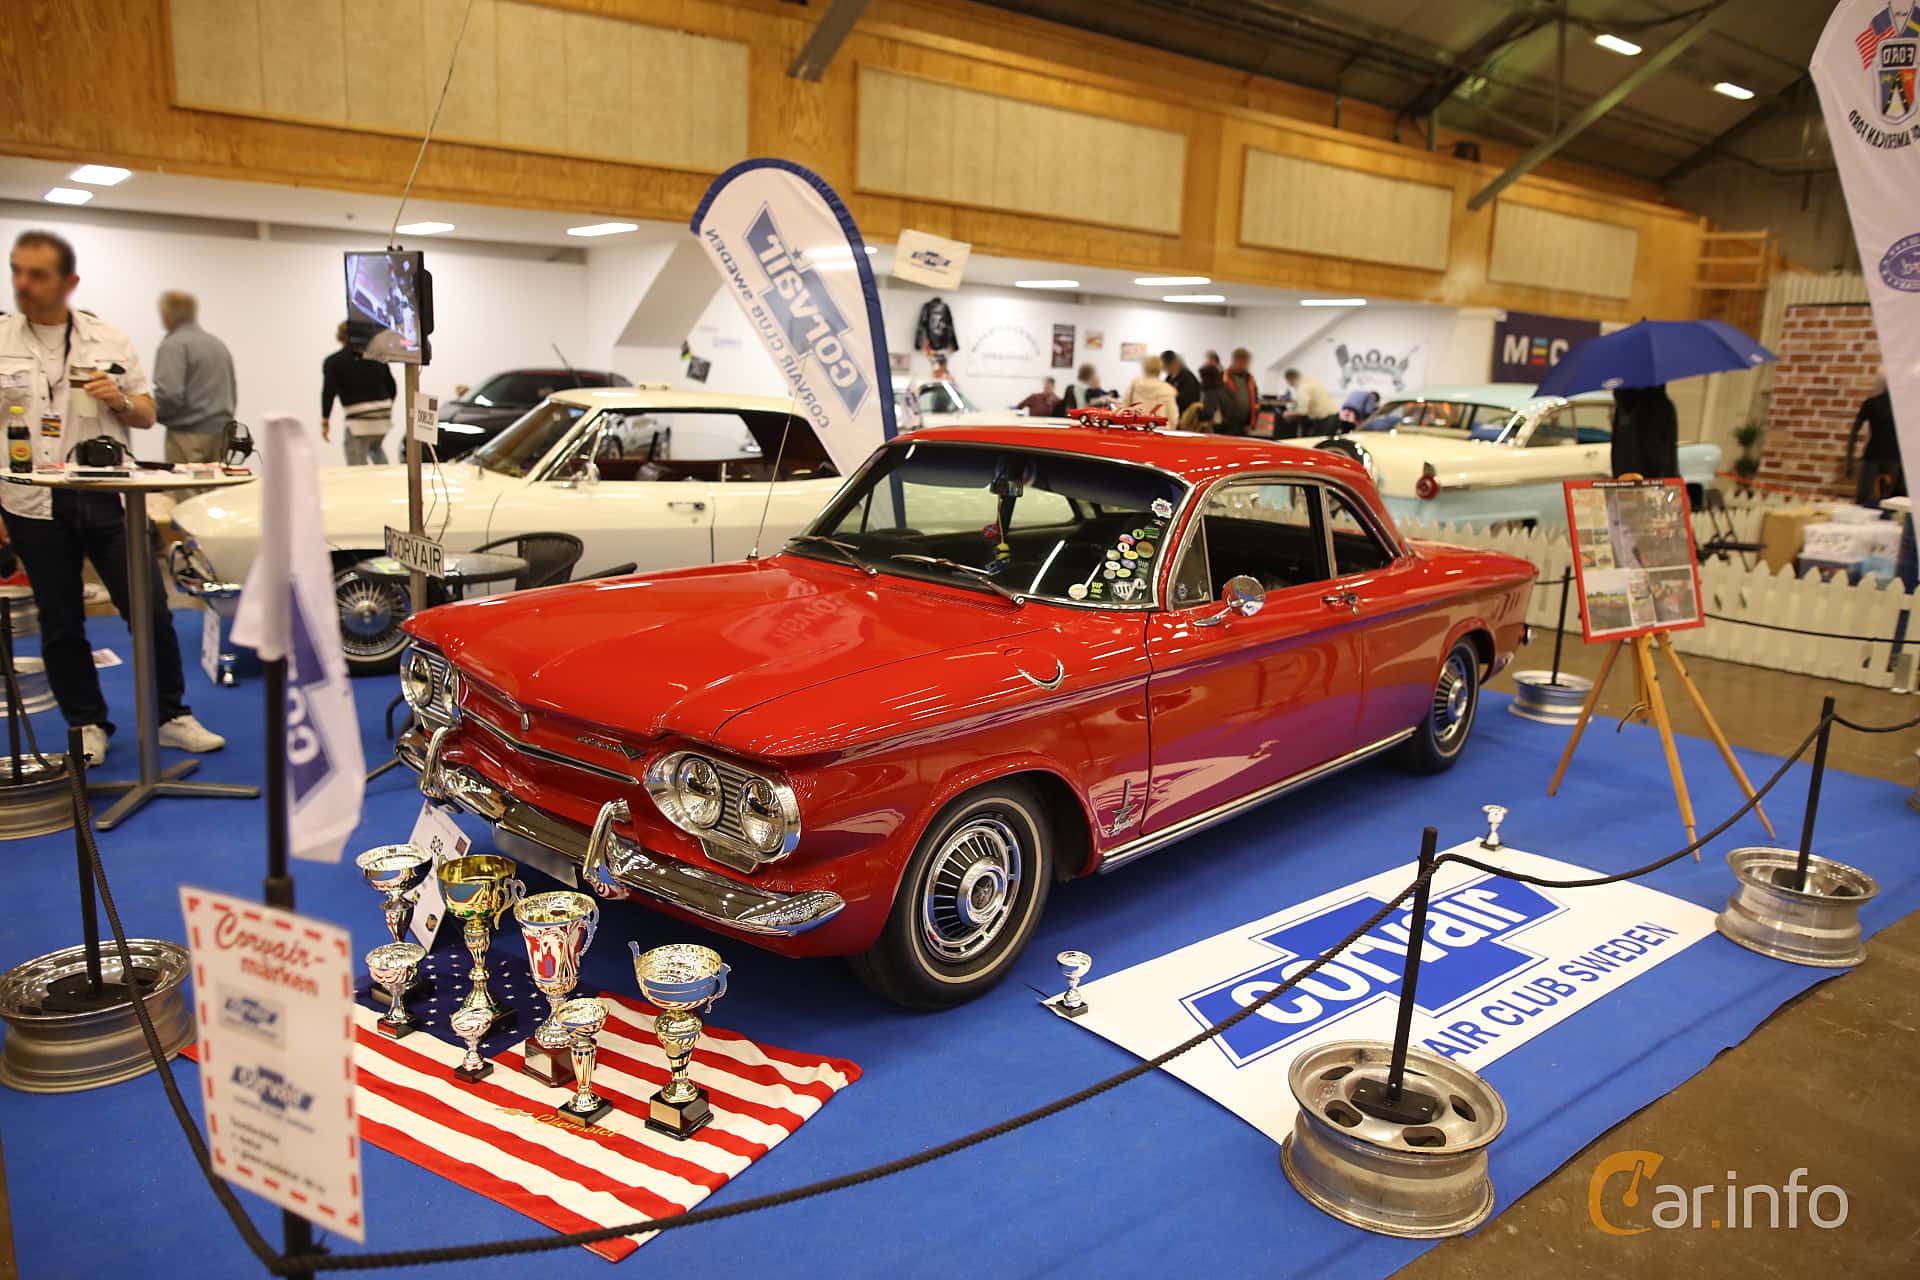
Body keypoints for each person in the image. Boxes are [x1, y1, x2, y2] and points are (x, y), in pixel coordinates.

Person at [0, 230, 225, 765]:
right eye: (17, 272)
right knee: (61, 621)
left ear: (68, 282)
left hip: (107, 497)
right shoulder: (3, 340)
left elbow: (146, 414)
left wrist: (119, 398)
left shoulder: (110, 338)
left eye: (37, 274)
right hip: (30, 500)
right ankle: (87, 723)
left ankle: (172, 715)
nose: (23, 284)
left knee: (149, 610)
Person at [152, 291, 235, 464]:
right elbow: (232, 392)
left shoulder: (173, 345)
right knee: (217, 490)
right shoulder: (217, 344)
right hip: (222, 434)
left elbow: (169, 394)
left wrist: (149, 414)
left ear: (166, 315)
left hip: (187, 436)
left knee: (186, 490)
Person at [321, 322, 396, 465]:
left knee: (356, 462)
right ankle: (385, 481)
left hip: (358, 418)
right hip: (383, 414)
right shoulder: (377, 357)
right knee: (376, 448)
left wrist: (325, 421)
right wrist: (385, 406)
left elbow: (328, 393)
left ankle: (362, 485)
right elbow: (392, 386)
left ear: (341, 337)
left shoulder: (333, 362)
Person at [1848, 376, 1905, 507]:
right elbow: (1854, 431)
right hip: (1873, 458)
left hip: (1893, 459)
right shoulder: (1872, 403)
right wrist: (1849, 462)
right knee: (1865, 500)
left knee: (1890, 503)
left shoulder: (1906, 407)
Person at [1610, 384, 1679, 479]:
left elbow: (1617, 447)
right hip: (1653, 480)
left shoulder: (1622, 409)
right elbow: (1666, 450)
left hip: (1624, 477)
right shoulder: (1662, 405)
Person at [1125, 354, 1180, 426]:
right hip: (1160, 431)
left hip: (1135, 430)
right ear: (1160, 368)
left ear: (1144, 368)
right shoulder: (1167, 389)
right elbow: (1173, 418)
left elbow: (1125, 407)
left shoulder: (1135, 384)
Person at [1282, 367, 1338, 436]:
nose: (1288, 383)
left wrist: (1287, 414)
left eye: (1287, 381)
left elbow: (1303, 411)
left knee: (1319, 443)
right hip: (1333, 415)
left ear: (1290, 378)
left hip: (1326, 419)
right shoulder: (1309, 381)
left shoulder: (1303, 387)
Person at [1217, 348, 1257, 436]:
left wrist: (1251, 423)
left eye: (1246, 362)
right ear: (1234, 360)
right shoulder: (1222, 378)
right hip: (1225, 428)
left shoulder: (1250, 379)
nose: (1243, 365)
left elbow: (1255, 402)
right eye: (1241, 361)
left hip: (1244, 428)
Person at [1180, 363, 1226, 432]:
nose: (1200, 380)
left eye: (1201, 377)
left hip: (1214, 429)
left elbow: (1208, 413)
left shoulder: (1211, 392)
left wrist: (1196, 410)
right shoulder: (1222, 390)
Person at [1160, 350, 1201, 416]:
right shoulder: (1169, 378)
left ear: (1174, 363)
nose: (1164, 369)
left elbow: (1189, 401)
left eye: (1165, 366)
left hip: (1185, 417)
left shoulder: (1188, 378)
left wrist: (1172, 395)